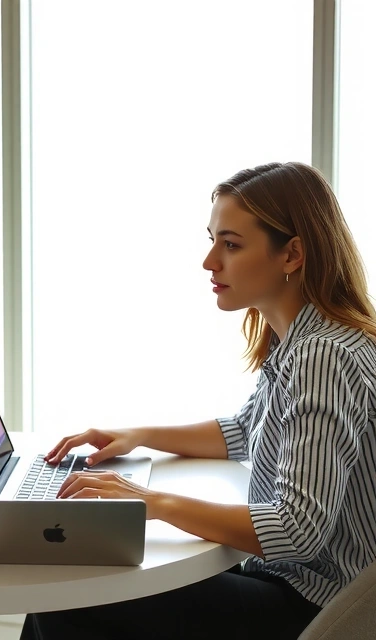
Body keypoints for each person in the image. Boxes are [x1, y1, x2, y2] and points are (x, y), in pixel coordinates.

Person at [22, 162, 376, 640]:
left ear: (292, 254)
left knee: (69, 588)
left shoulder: (323, 355)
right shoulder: (301, 338)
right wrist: (136, 435)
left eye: (230, 245)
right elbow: (248, 430)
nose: (210, 262)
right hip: (289, 583)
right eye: (212, 240)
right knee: (69, 580)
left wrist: (151, 502)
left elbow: (297, 528)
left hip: (313, 606)